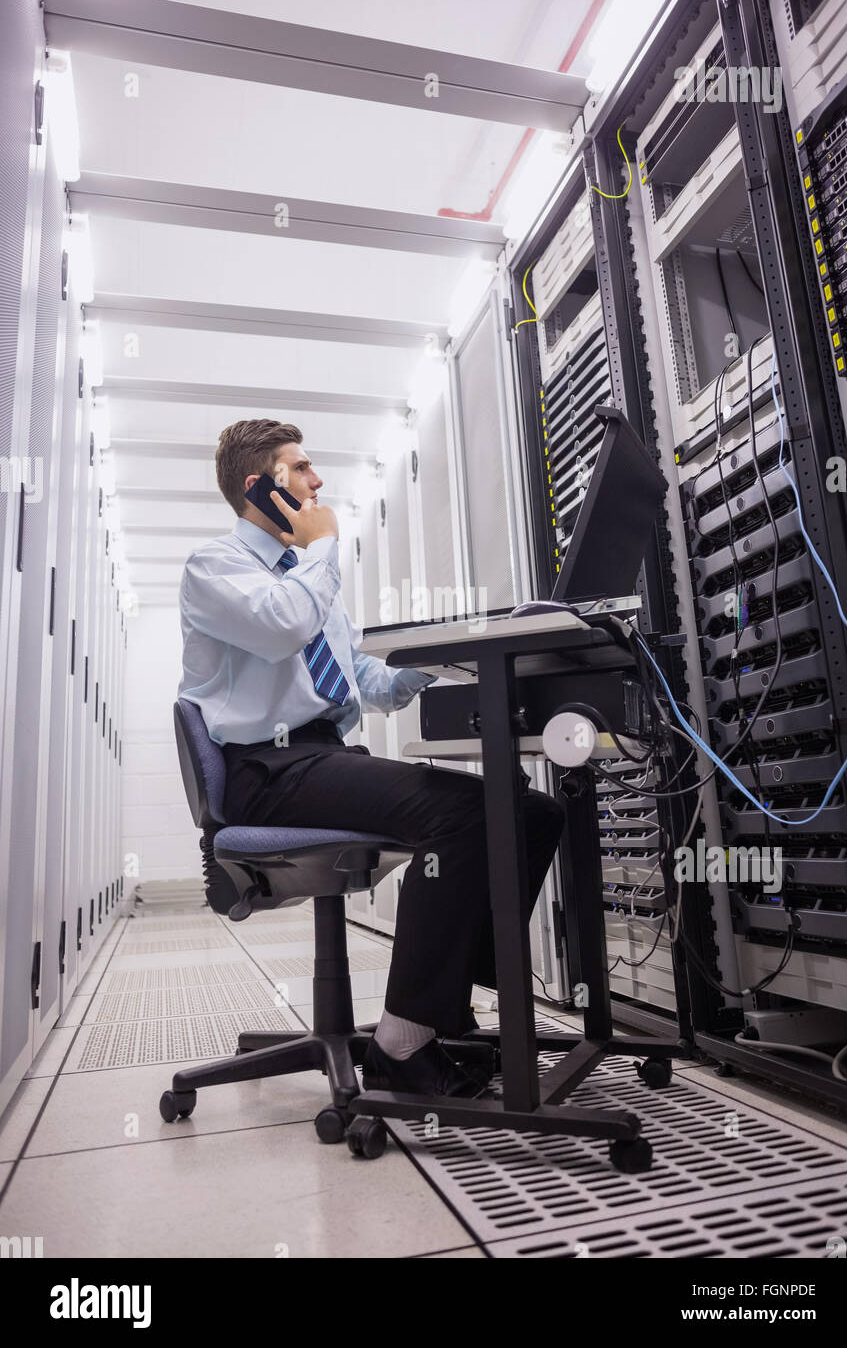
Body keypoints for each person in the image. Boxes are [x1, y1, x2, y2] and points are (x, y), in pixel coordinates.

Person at [178, 417, 565, 1096]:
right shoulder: (217, 569)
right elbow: (282, 628)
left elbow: (373, 685)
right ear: (257, 488)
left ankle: (446, 1017)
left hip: (324, 760)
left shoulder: (309, 579)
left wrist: (450, 655)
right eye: (300, 469)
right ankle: (401, 1043)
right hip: (267, 773)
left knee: (531, 813)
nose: (317, 480)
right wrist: (323, 545)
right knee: (467, 816)